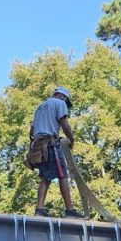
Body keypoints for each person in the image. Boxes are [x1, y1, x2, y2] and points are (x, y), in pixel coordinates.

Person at [28, 87, 82, 218]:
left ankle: (39, 209)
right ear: (61, 96)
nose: (65, 104)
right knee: (63, 176)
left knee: (45, 177)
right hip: (51, 144)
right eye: (66, 100)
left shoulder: (40, 107)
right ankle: (70, 211)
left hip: (38, 146)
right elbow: (65, 125)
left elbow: (31, 132)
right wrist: (71, 140)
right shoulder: (59, 103)